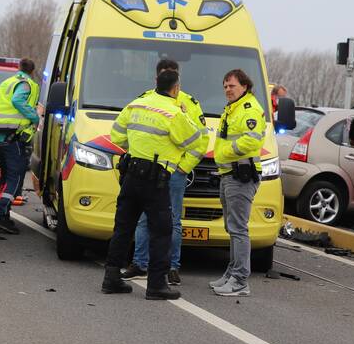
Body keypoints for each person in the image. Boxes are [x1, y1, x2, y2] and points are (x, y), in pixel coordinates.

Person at [101, 69, 205, 300]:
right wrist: (182, 163)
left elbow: (116, 136)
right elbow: (197, 142)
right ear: (176, 88)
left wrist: (138, 147)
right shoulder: (174, 113)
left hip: (131, 175)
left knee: (123, 228)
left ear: (155, 83)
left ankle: (111, 278)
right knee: (161, 231)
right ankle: (157, 285)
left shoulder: (137, 104)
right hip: (156, 180)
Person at [209, 69, 266, 298]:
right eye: (225, 86)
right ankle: (232, 273)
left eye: (231, 86)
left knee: (238, 228)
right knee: (231, 227)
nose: (227, 90)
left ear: (244, 86)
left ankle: (240, 280)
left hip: (240, 174)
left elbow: (252, 139)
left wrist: (227, 154)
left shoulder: (249, 109)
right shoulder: (232, 109)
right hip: (228, 174)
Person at [0, 58, 40, 234]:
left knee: (7, 175)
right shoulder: (26, 84)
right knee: (15, 176)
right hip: (13, 139)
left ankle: (3, 215)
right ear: (32, 71)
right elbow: (18, 101)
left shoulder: (9, 81)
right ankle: (1, 212)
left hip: (2, 137)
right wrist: (35, 117)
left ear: (18, 68)